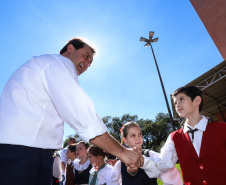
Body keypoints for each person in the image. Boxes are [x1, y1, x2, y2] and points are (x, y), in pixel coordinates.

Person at [0, 37, 142, 185]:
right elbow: (83, 117)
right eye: (86, 56)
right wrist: (123, 153)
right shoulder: (58, 63)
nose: (87, 65)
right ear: (70, 48)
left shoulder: (41, 66)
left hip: (22, 153)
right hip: (24, 155)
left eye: (90, 64)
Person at [142, 85, 226, 184]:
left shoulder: (223, 128)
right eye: (175, 102)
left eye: (181, 99)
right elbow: (163, 164)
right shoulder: (174, 137)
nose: (177, 105)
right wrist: (141, 160)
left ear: (197, 101)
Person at [111, 122, 183, 185]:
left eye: (140, 134)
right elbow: (113, 182)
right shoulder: (120, 163)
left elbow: (171, 174)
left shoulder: (151, 154)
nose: (138, 138)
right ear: (125, 140)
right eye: (133, 135)